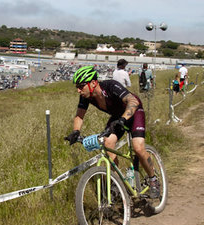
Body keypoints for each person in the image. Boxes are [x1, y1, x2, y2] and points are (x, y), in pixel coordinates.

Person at [65, 66, 160, 198]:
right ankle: (116, 183)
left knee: (138, 147)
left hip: (134, 112)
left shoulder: (111, 86)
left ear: (93, 83)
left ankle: (153, 179)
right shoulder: (86, 97)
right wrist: (75, 131)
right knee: (108, 143)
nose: (78, 90)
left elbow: (132, 101)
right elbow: (79, 116)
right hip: (118, 117)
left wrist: (123, 118)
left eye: (81, 86)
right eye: (77, 86)